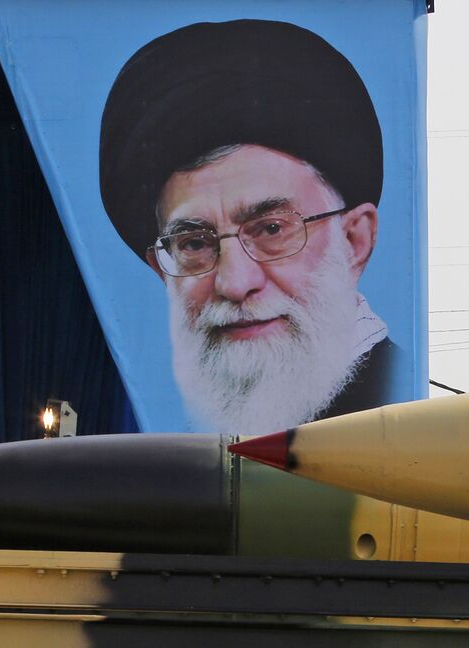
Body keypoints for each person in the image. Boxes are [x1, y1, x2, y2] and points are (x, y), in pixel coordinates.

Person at [100, 19, 394, 434]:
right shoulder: (175, 441)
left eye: (271, 229)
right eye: (195, 243)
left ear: (354, 241)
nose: (235, 283)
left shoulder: (402, 428)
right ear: (161, 270)